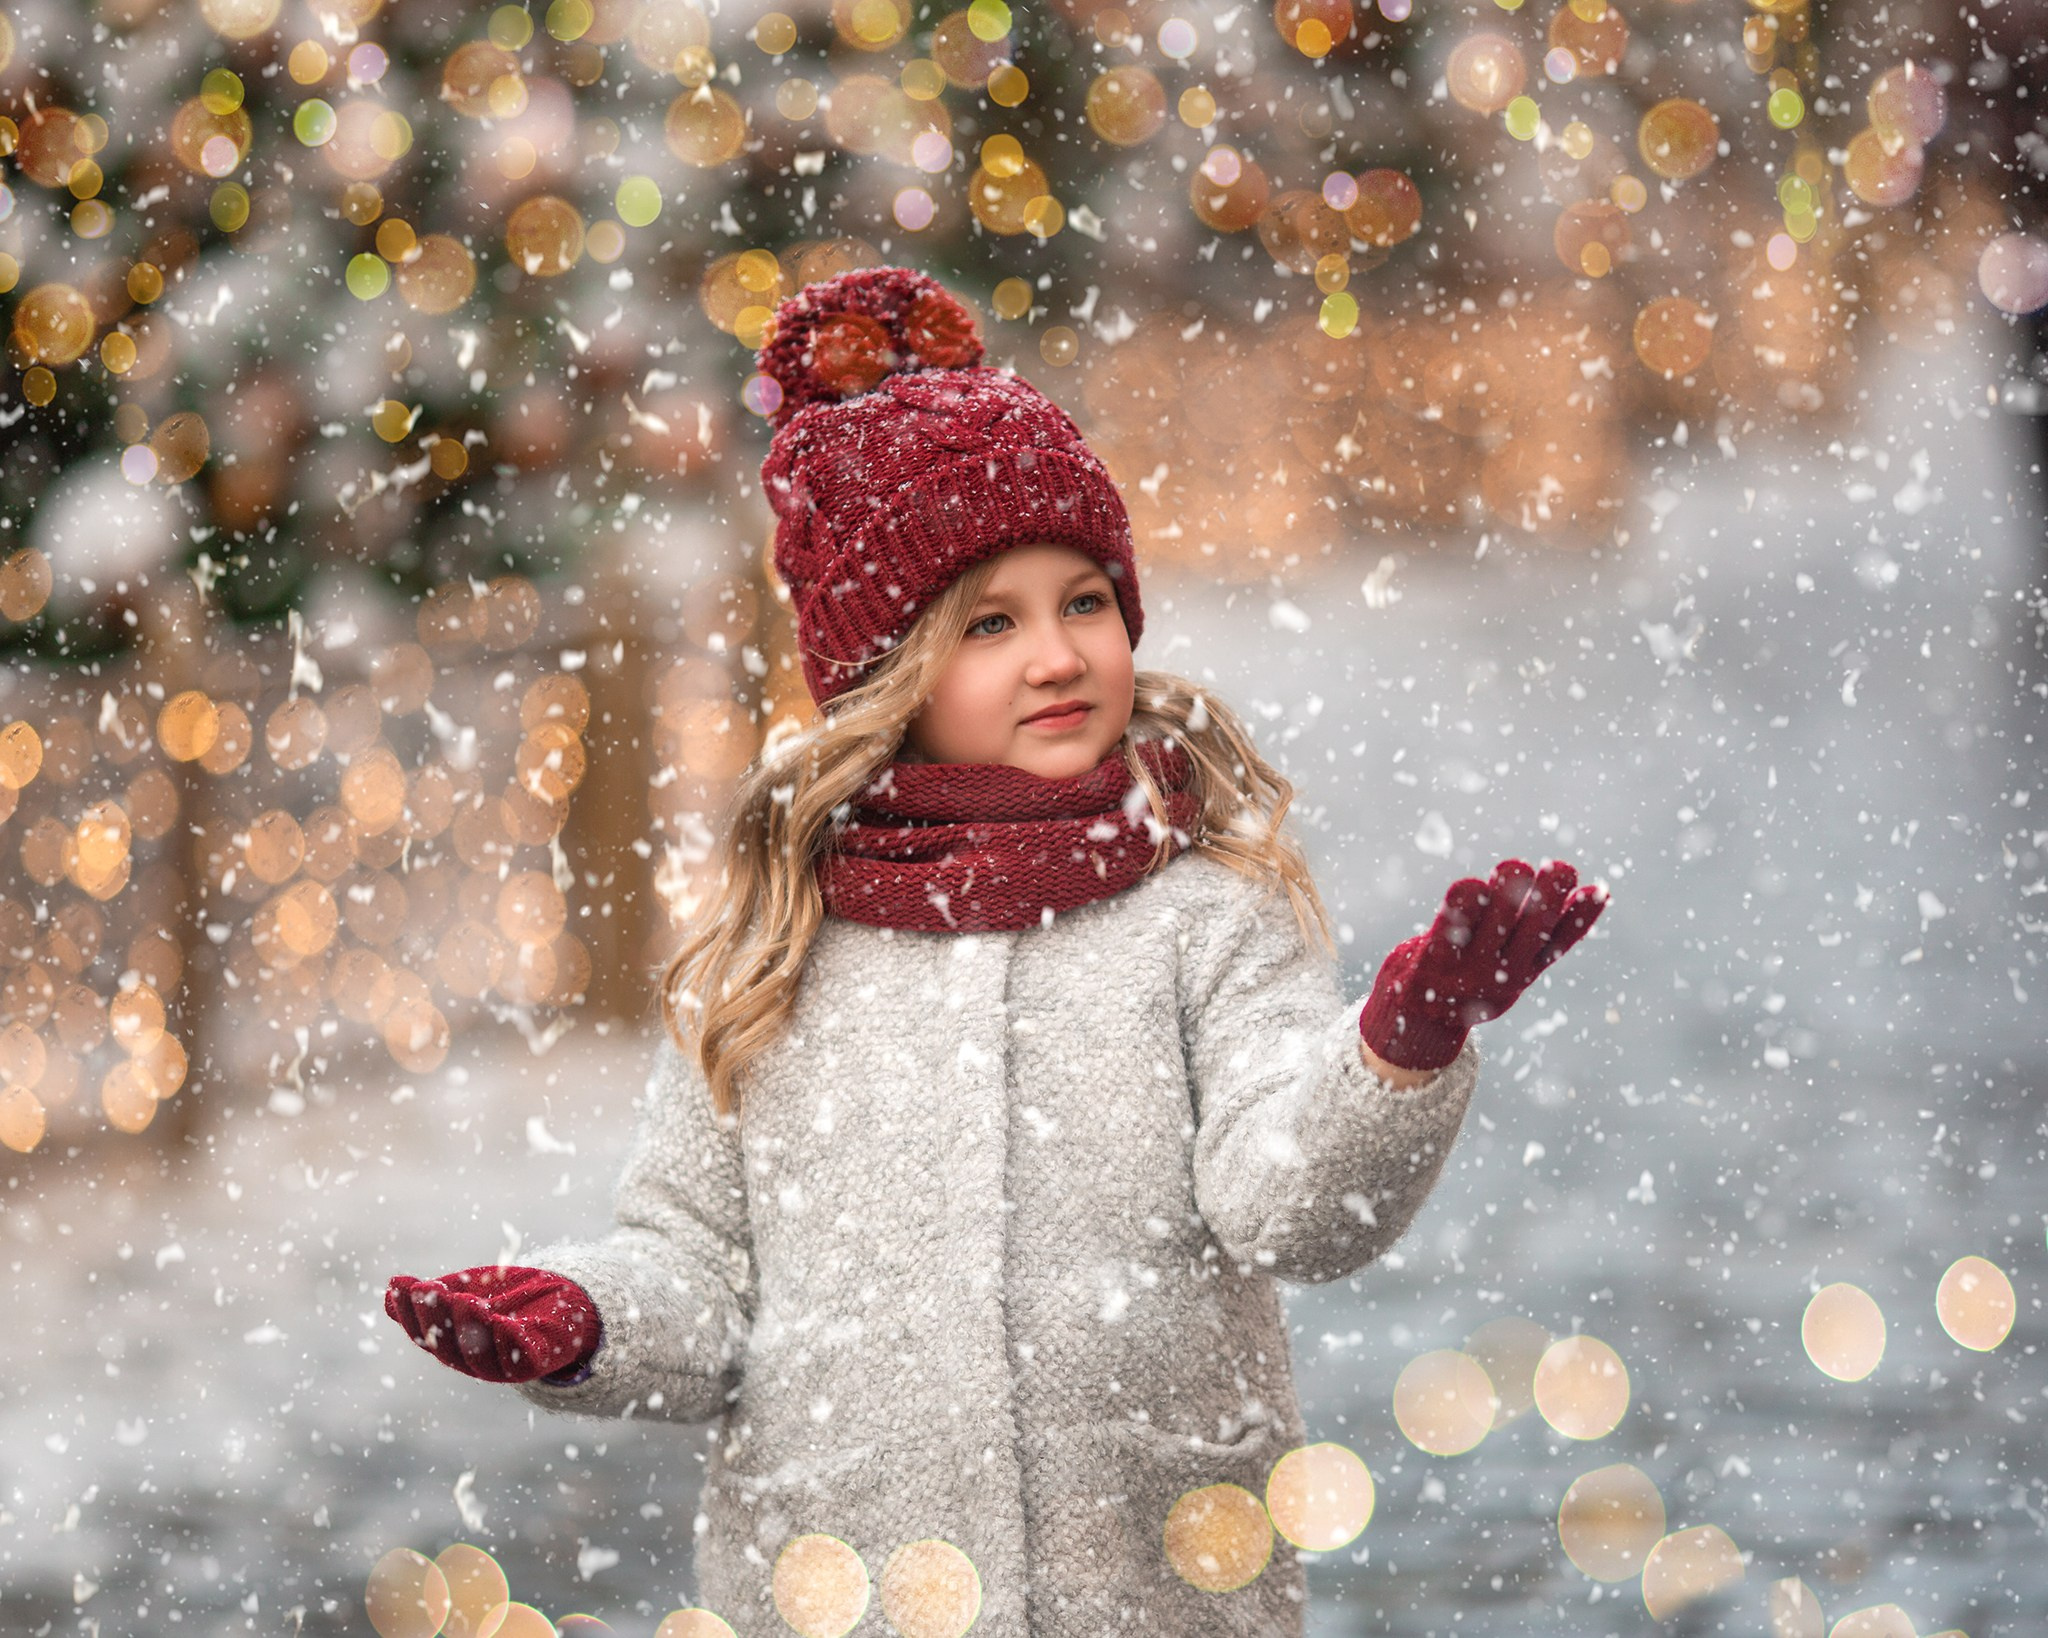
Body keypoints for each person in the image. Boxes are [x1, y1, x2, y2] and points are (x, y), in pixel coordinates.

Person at [384, 266, 1609, 1636]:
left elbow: (1290, 1201)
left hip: (1150, 1598)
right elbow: (697, 1274)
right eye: (989, 621)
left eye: (1084, 600)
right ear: (885, 673)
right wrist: (587, 1318)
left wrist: (1398, 1048)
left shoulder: (1199, 913)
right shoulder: (775, 954)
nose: (1056, 655)